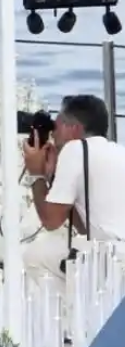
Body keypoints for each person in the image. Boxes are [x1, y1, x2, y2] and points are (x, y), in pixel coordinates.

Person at [22, 95, 125, 302]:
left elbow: (51, 221)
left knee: (35, 256)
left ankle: (72, 318)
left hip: (111, 260)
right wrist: (52, 176)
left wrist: (36, 174)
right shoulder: (118, 151)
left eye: (57, 125)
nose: (53, 133)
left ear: (74, 129)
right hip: (115, 254)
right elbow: (86, 226)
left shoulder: (74, 149)